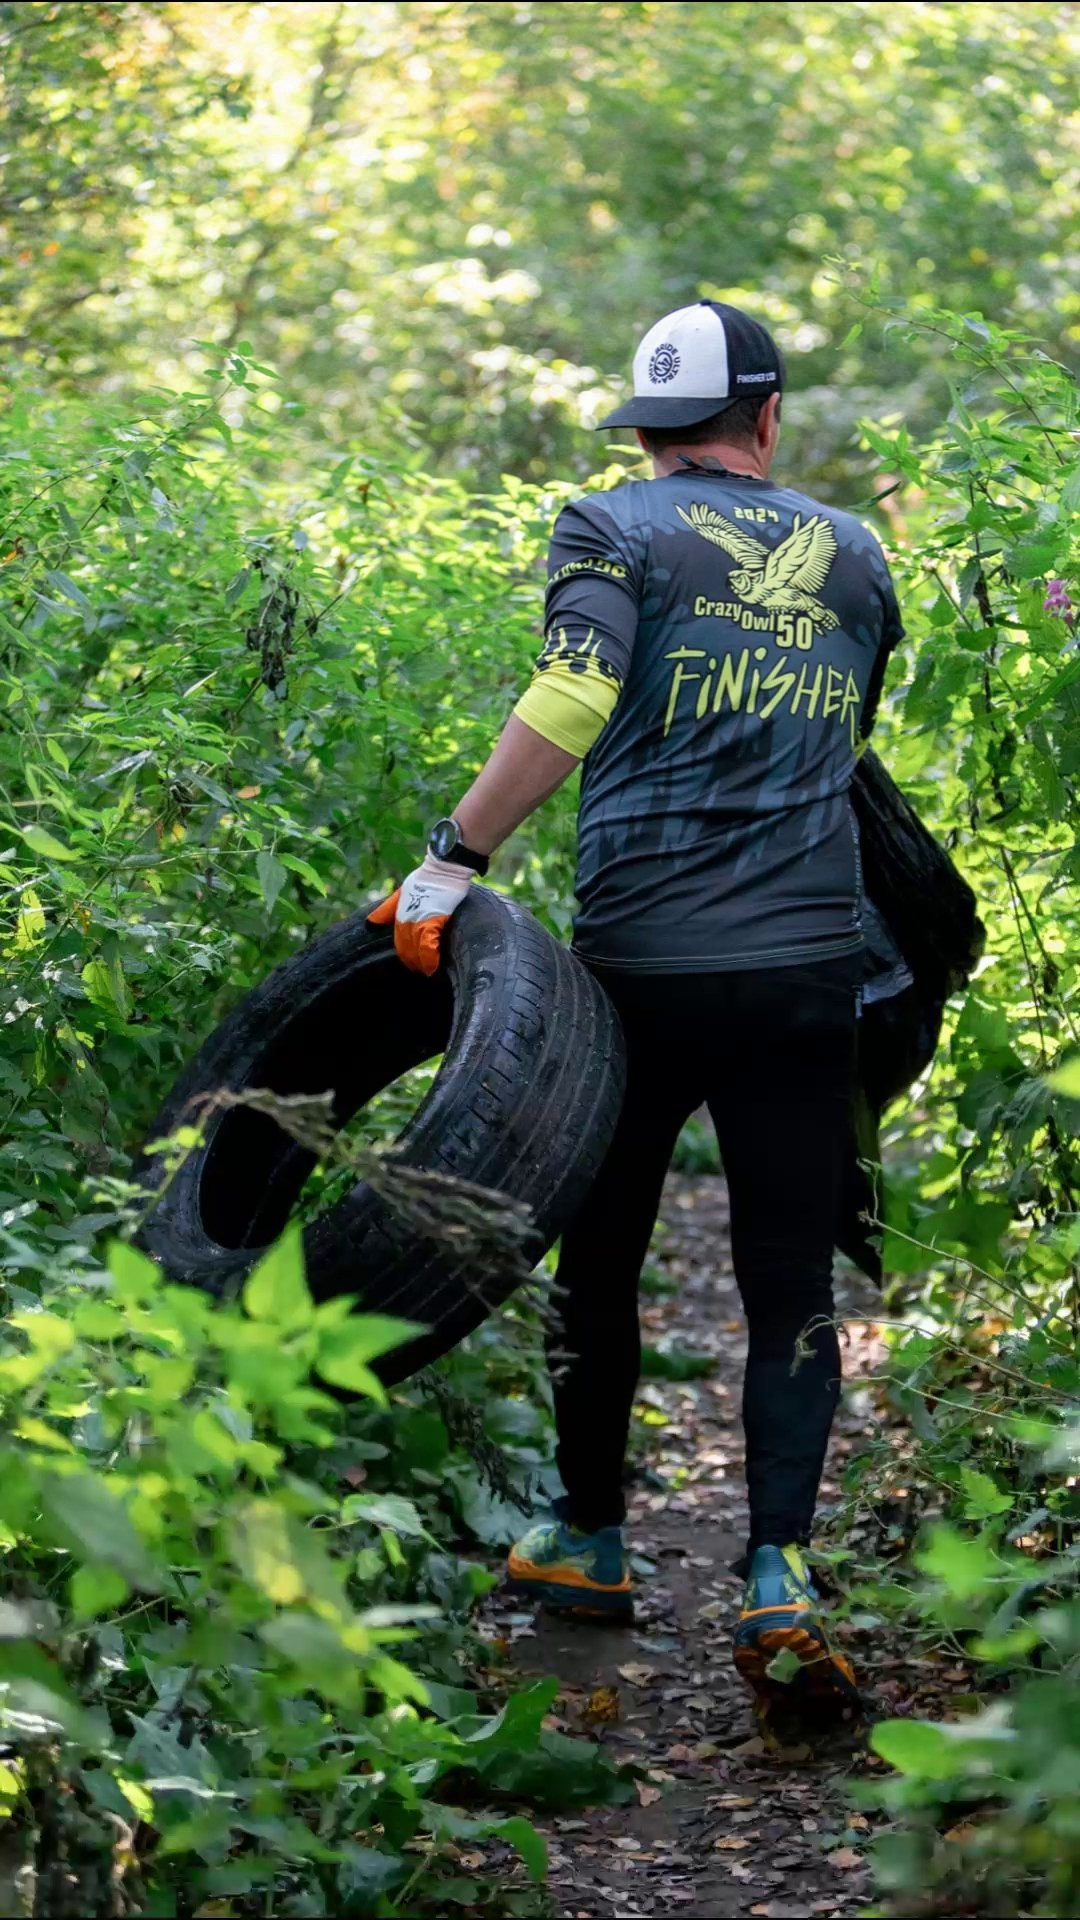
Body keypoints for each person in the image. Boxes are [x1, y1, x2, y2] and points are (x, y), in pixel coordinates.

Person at [370, 300, 902, 1709]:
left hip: (639, 970)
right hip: (803, 970)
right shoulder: (856, 553)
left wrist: (454, 858)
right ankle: (778, 1570)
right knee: (788, 1278)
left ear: (650, 435)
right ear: (771, 421)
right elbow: (847, 733)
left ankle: (593, 1537)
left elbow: (576, 684)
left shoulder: (608, 526)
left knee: (597, 1261)